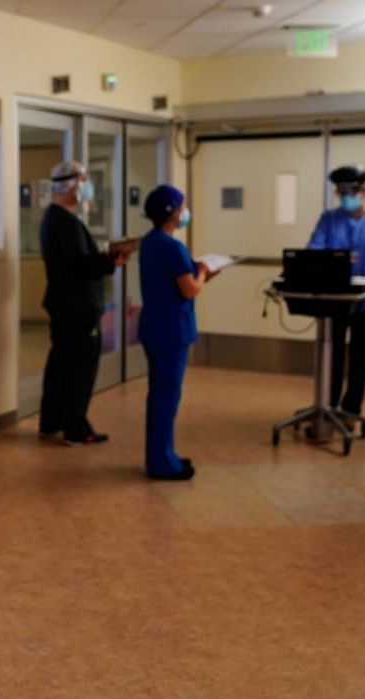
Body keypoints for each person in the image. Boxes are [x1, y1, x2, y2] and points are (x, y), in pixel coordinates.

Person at [38, 160, 132, 446]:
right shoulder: (63, 222)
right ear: (71, 186)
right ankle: (77, 429)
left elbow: (73, 261)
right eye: (83, 179)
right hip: (77, 309)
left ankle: (51, 421)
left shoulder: (55, 219)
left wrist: (103, 259)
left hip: (64, 305)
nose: (87, 185)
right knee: (80, 368)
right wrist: (109, 261)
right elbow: (77, 266)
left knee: (60, 364)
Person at [307, 165, 365, 419]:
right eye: (341, 192)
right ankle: (328, 407)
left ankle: (351, 411)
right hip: (334, 300)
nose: (345, 196)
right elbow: (314, 251)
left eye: (350, 191)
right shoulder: (329, 219)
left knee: (360, 358)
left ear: (363, 191)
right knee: (331, 355)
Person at [138, 185, 214, 480]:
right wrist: (204, 273)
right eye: (182, 208)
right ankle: (161, 462)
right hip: (171, 331)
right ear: (173, 213)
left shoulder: (151, 242)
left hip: (154, 327)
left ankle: (163, 454)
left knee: (160, 395)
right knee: (167, 397)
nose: (185, 213)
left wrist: (197, 273)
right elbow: (189, 289)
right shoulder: (172, 247)